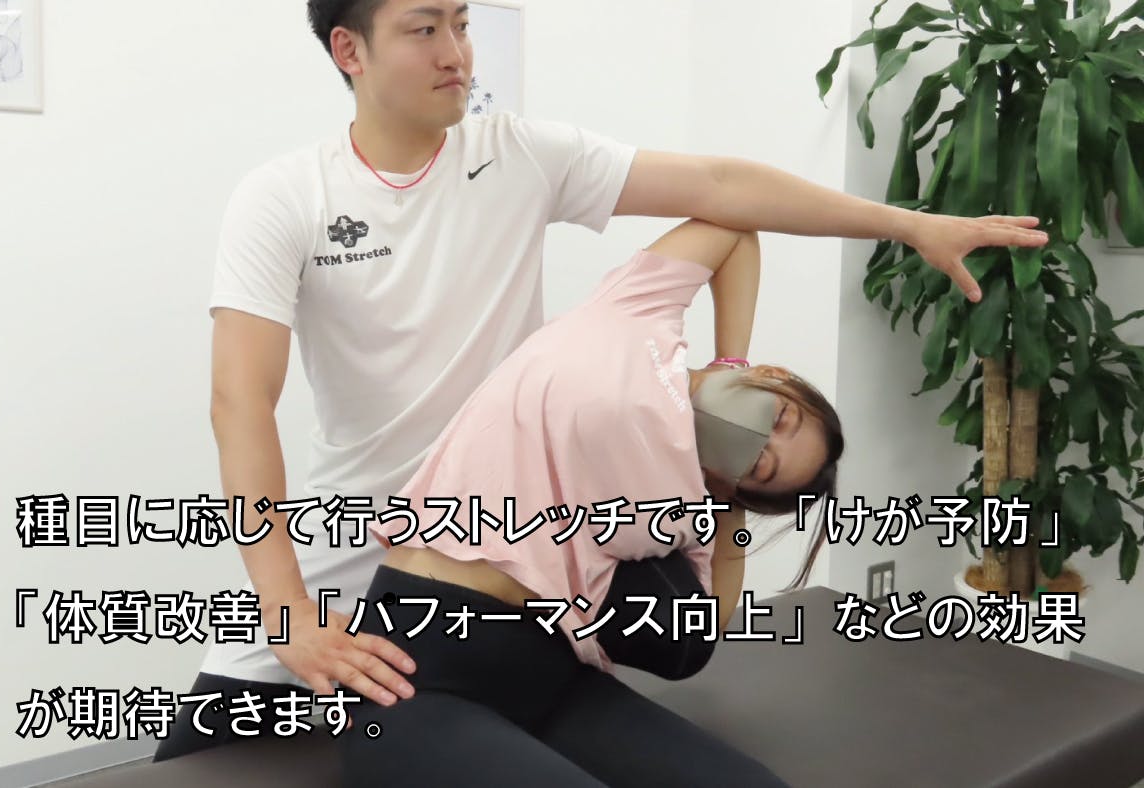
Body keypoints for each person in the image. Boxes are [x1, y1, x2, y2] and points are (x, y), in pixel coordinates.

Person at [153, 0, 1050, 763]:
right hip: (347, 565)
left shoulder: (516, 156)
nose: (457, 53)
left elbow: (721, 188)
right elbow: (241, 403)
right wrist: (288, 614)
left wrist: (906, 225)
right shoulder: (286, 197)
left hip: (514, 573)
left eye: (462, 23)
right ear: (350, 50)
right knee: (186, 764)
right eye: (424, 29)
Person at [335, 218, 838, 786]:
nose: (759, 435)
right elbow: (733, 226)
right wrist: (732, 365)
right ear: (776, 378)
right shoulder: (638, 313)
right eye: (781, 416)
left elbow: (699, 634)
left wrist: (730, 504)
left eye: (763, 463)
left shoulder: (683, 511)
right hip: (420, 675)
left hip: (552, 678)